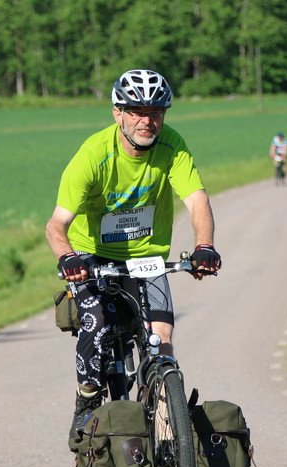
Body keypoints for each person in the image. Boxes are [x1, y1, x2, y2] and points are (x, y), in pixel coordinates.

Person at [45, 69, 222, 440]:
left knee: (163, 339)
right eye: (137, 111)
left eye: (156, 112)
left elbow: (197, 201)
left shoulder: (172, 146)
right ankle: (87, 400)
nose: (147, 120)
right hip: (93, 258)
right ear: (117, 113)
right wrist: (68, 258)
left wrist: (204, 245)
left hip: (148, 260)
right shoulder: (94, 155)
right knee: (97, 322)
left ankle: (167, 428)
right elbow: (56, 225)